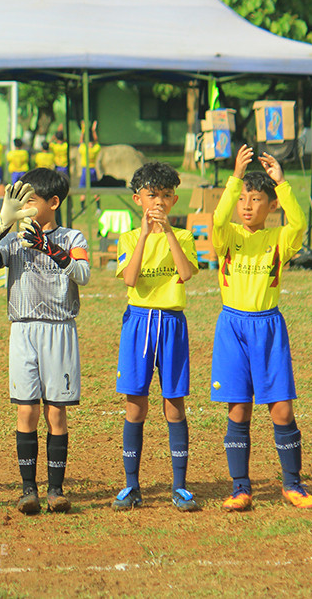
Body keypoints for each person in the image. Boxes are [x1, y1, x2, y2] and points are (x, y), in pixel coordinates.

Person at [0, 169, 90, 514]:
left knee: (56, 413)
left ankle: (55, 490)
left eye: (30, 201)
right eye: (19, 201)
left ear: (53, 203)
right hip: (23, 331)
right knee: (27, 409)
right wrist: (0, 226)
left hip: (60, 330)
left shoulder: (73, 238)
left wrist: (48, 247)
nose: (23, 207)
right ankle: (28, 489)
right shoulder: (13, 241)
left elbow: (83, 274)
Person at [210, 144, 312, 511]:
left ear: (271, 206)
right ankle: (241, 488)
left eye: (256, 199)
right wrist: (234, 179)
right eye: (243, 199)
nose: (247, 205)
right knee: (238, 410)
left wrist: (281, 184)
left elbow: (299, 223)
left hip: (268, 328)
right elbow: (218, 221)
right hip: (232, 327)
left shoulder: (278, 240)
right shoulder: (227, 237)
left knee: (281, 410)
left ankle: (293, 485)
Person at [111, 163, 199, 512]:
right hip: (139, 323)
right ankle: (131, 485)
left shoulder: (185, 237)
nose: (158, 203)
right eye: (151, 195)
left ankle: (180, 486)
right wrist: (146, 234)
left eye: (165, 196)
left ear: (174, 199)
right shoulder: (130, 238)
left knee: (174, 405)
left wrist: (169, 234)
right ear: (138, 199)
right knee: (136, 405)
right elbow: (130, 279)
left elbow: (186, 273)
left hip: (172, 323)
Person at [80, 120, 101, 186]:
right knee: (95, 189)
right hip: (93, 170)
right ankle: (96, 196)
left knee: (83, 189)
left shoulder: (84, 149)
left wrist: (83, 130)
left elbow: (81, 141)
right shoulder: (95, 149)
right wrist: (93, 130)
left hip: (85, 170)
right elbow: (96, 141)